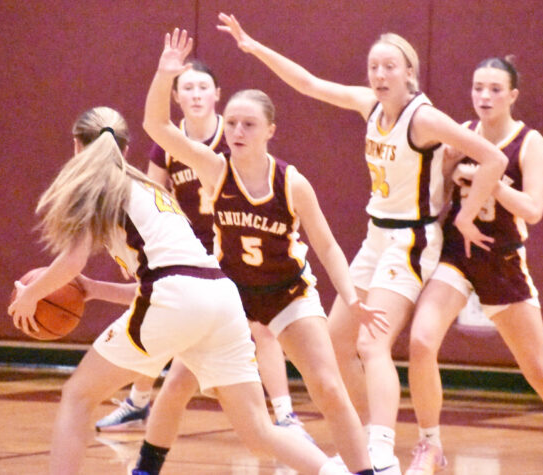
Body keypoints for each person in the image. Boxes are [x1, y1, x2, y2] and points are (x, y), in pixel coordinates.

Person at [217, 13, 509, 474]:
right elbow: (309, 83)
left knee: (373, 344)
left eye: (389, 66)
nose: (379, 75)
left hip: (412, 239)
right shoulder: (367, 105)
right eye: (374, 66)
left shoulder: (425, 118)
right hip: (377, 236)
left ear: (409, 72)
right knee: (336, 341)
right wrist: (254, 46)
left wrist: (466, 214)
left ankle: (381, 444)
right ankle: (368, 439)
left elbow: (492, 157)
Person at [7, 106, 354, 475]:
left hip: (175, 297)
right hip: (220, 297)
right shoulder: (147, 187)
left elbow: (74, 260)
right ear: (125, 150)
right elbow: (167, 282)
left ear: (76, 147)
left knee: (78, 395)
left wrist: (31, 295)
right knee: (258, 430)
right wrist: (92, 290)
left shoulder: (95, 185)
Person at [138, 29, 391, 475]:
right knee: (178, 382)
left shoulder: (292, 182)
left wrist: (351, 297)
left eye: (248, 124)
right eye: (231, 122)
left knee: (329, 387)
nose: (236, 131)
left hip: (288, 293)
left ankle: (364, 472)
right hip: (232, 298)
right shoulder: (214, 169)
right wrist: (164, 74)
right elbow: (156, 126)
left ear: (270, 131)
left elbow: (328, 246)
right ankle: (144, 468)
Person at [96, 60, 311, 440]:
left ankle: (284, 414)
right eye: (188, 88)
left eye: (202, 87)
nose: (195, 95)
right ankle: (139, 399)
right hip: (187, 253)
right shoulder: (168, 145)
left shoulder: (231, 139)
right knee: (157, 319)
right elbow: (152, 194)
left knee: (261, 329)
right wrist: (140, 253)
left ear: (217, 95)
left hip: (234, 248)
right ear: (175, 96)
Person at [405, 57, 543, 475]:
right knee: (420, 341)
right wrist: (450, 167)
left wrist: (494, 179)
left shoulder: (529, 141)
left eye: (494, 89)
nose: (484, 96)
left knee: (542, 374)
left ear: (512, 96)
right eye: (477, 88)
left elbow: (534, 209)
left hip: (502, 263)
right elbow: (436, 193)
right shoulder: (462, 133)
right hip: (457, 257)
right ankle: (430, 446)